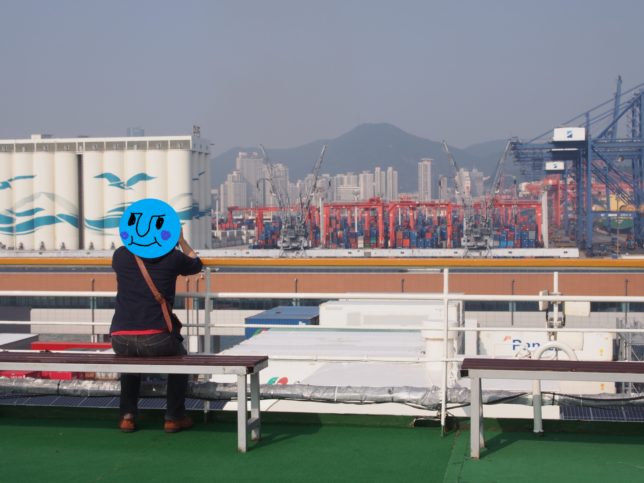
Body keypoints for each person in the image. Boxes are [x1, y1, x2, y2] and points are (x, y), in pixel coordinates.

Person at [110, 228, 203, 433]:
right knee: (180, 358)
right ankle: (174, 417)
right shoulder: (173, 257)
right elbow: (196, 264)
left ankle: (127, 416)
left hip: (120, 338)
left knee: (130, 361)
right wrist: (181, 240)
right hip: (157, 338)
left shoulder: (121, 255)